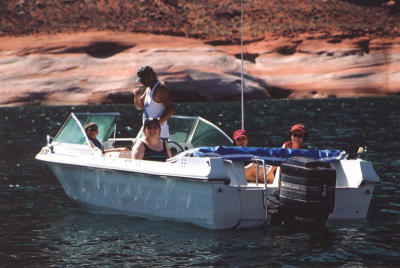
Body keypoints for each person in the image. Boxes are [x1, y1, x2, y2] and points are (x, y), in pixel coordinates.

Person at [132, 65, 174, 140]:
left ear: (150, 77)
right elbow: (139, 106)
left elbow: (171, 109)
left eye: (143, 79)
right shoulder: (148, 88)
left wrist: (156, 124)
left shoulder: (160, 89)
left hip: (158, 136)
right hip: (148, 135)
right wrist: (136, 96)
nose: (141, 82)